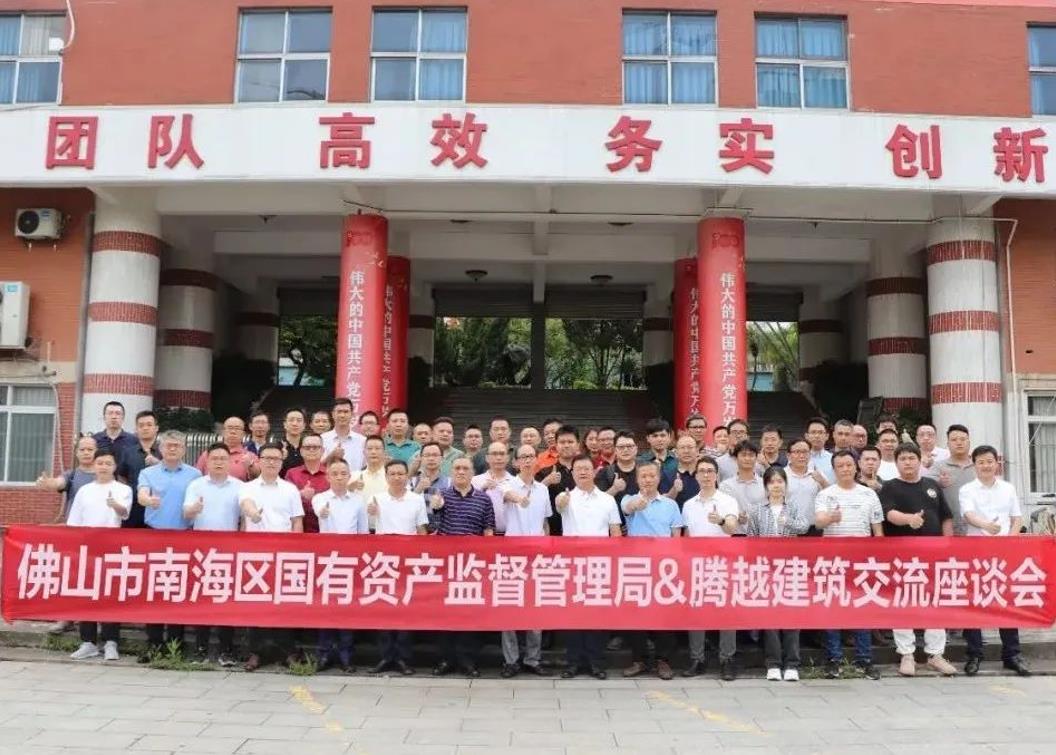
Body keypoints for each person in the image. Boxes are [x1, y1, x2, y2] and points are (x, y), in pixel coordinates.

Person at [879, 442, 958, 678]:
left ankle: (935, 654)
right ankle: (907, 654)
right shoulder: (890, 487)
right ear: (896, 463)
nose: (908, 462)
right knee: (903, 603)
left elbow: (946, 517)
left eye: (911, 458)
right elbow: (889, 514)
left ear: (919, 461)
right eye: (902, 458)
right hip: (901, 557)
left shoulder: (932, 486)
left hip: (933, 555)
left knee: (934, 602)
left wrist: (948, 546)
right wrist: (909, 519)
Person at [959, 444, 1031, 677]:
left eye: (990, 461)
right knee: (974, 603)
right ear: (974, 465)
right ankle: (974, 654)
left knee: (1005, 602)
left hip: (1003, 554)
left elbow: (1017, 518)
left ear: (996, 463)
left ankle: (1012, 655)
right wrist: (985, 525)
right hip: (976, 552)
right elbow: (968, 514)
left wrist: (1010, 541)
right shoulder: (967, 489)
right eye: (981, 462)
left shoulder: (1008, 488)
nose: (986, 466)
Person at [814, 450, 884, 680]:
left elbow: (878, 530)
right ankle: (833, 659)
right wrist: (830, 518)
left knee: (861, 609)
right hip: (833, 561)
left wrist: (879, 558)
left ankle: (864, 659)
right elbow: (819, 522)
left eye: (848, 465)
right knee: (833, 609)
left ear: (856, 467)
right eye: (840, 466)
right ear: (834, 470)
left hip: (862, 561)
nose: (845, 469)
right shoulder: (826, 494)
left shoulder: (869, 494)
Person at [137, 430, 202, 658]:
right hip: (155, 536)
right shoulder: (148, 473)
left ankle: (176, 645)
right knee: (154, 592)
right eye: (168, 445)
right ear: (160, 448)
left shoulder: (195, 474)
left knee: (178, 592)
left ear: (184, 449)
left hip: (184, 537)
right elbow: (142, 495)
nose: (172, 449)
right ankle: (154, 644)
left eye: (177, 445)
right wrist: (148, 500)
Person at [556, 454, 622, 679]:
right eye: (578, 469)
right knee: (572, 615)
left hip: (599, 565)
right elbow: (559, 506)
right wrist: (562, 502)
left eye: (587, 468)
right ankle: (573, 662)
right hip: (572, 565)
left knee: (596, 615)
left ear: (594, 472)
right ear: (572, 472)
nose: (583, 472)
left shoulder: (607, 500)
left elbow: (615, 532)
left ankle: (596, 662)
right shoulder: (565, 497)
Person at [240, 442, 304, 672]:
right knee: (255, 604)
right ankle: (256, 652)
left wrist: (296, 551)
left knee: (284, 604)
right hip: (255, 554)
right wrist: (254, 514)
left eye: (276, 459)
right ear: (259, 460)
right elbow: (246, 506)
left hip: (284, 553)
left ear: (281, 462)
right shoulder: (248, 487)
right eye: (267, 458)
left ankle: (287, 651)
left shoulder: (290, 489)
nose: (271, 462)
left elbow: (297, 521)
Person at [432, 457, 495, 677]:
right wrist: (435, 509)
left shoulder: (483, 499)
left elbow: (488, 530)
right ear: (451, 472)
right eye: (457, 468)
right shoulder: (442, 496)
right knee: (445, 615)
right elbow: (433, 527)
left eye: (465, 468)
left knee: (469, 615)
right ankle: (446, 659)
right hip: (447, 566)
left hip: (472, 567)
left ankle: (468, 661)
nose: (461, 471)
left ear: (472, 473)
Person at [620, 461, 683, 681]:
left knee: (664, 615)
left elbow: (676, 537)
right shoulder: (629, 499)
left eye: (651, 476)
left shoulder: (670, 505)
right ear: (637, 480)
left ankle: (663, 660)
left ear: (658, 478)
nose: (647, 480)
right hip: (636, 566)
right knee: (635, 615)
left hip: (664, 567)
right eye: (643, 476)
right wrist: (638, 504)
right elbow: (628, 508)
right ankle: (639, 659)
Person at [67, 448, 131, 662]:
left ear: (115, 467)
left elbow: (125, 513)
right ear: (94, 466)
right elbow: (74, 522)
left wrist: (115, 505)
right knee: (87, 594)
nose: (103, 467)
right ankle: (88, 642)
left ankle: (111, 642)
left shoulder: (122, 489)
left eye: (108, 463)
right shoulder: (84, 490)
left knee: (110, 595)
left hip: (111, 548)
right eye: (100, 463)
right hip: (86, 549)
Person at [183, 442, 242, 667]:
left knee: (227, 602)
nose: (218, 462)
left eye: (223, 459)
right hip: (202, 551)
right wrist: (193, 509)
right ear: (206, 461)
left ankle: (227, 650)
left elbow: (245, 516)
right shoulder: (196, 485)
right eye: (214, 458)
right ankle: (201, 649)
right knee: (203, 601)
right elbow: (186, 512)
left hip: (229, 551)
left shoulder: (239, 486)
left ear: (230, 462)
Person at [748, 467, 810, 682]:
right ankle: (773, 663)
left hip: (791, 568)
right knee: (771, 618)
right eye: (772, 482)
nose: (776, 485)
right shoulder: (757, 510)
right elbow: (751, 540)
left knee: (792, 616)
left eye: (780, 481)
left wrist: (787, 522)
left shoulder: (793, 508)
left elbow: (804, 527)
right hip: (766, 569)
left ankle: (792, 663)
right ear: (766, 486)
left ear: (786, 484)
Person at [681, 456, 740, 680]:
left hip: (722, 563)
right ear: (696, 475)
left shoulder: (727, 501)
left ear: (716, 475)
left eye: (710, 471)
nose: (706, 475)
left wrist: (721, 521)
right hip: (696, 564)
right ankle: (697, 659)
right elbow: (687, 537)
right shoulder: (689, 505)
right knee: (697, 613)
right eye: (702, 471)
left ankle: (727, 659)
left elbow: (732, 528)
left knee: (726, 613)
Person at [368, 460, 429, 675]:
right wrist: (371, 512)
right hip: (383, 563)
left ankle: (403, 658)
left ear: (406, 476)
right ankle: (385, 656)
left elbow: (422, 530)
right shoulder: (377, 499)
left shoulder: (416, 499)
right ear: (386, 477)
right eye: (392, 473)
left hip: (408, 562)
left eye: (400, 473)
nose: (396, 477)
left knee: (405, 612)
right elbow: (369, 529)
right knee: (383, 609)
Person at [498, 444, 553, 679]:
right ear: (516, 462)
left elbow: (545, 522)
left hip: (537, 557)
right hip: (512, 556)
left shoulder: (543, 489)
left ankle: (533, 659)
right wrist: (521, 498)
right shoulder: (507, 484)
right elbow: (508, 496)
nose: (528, 460)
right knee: (509, 608)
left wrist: (547, 547)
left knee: (535, 608)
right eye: (523, 457)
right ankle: (511, 660)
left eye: (531, 456)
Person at [312, 457, 369, 673]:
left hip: (351, 561)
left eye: (343, 473)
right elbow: (319, 511)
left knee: (347, 610)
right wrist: (323, 512)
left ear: (349, 476)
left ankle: (346, 656)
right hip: (327, 561)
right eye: (334, 473)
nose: (339, 477)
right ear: (327, 476)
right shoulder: (320, 498)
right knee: (326, 609)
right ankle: (324, 654)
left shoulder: (358, 501)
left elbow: (363, 532)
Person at [115, 409, 160, 528]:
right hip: (133, 507)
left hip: (158, 507)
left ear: (156, 428)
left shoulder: (164, 452)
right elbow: (121, 476)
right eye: (141, 425)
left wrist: (159, 464)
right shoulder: (128, 452)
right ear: (136, 429)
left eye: (149, 425)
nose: (145, 428)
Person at [36, 435, 97, 523]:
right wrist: (49, 483)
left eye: (90, 449)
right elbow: (59, 482)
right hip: (74, 525)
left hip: (98, 525)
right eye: (82, 450)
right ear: (76, 453)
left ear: (97, 452)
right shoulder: (71, 475)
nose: (86, 453)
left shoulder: (105, 476)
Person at [536, 424, 579, 536]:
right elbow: (532, 498)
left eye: (570, 442)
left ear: (578, 445)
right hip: (553, 532)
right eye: (562, 442)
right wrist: (546, 482)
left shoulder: (585, 471)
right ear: (556, 445)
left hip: (581, 531)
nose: (566, 445)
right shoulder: (544, 472)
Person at [934, 424, 976, 535]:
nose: (959, 442)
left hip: (977, 529)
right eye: (954, 440)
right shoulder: (938, 466)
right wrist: (939, 483)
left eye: (963, 439)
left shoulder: (979, 467)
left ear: (969, 442)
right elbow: (926, 489)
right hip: (947, 529)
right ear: (948, 444)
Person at [283, 432, 329, 533]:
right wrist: (300, 494)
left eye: (315, 447)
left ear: (322, 451)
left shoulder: (331, 474)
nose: (311, 450)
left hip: (325, 530)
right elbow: (284, 501)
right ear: (301, 451)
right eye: (307, 447)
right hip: (297, 530)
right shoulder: (291, 473)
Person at [718, 440, 765, 531]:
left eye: (751, 455)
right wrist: (736, 516)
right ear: (736, 458)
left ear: (756, 458)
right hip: (735, 535)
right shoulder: (725, 486)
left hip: (761, 535)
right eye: (743, 455)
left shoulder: (765, 484)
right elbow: (723, 512)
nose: (747, 458)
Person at [196, 416, 258, 482]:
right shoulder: (207, 455)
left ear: (243, 434)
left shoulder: (250, 457)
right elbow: (197, 478)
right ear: (223, 432)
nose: (233, 432)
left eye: (237, 428)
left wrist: (251, 466)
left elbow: (258, 479)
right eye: (230, 428)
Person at [472, 441, 515, 535]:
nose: (498, 457)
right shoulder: (475, 481)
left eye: (502, 454)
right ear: (487, 458)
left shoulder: (516, 482)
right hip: (482, 535)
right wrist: (482, 490)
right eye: (494, 454)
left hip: (510, 535)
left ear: (508, 458)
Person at [784, 437, 821, 534]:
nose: (801, 456)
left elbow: (829, 497)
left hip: (813, 529)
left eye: (805, 452)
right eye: (797, 452)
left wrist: (822, 481)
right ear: (788, 455)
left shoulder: (817, 475)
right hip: (788, 528)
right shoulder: (781, 475)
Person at [353, 435, 390, 529]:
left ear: (384, 452)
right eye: (369, 449)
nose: (373, 452)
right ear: (364, 452)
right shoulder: (354, 476)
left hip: (385, 529)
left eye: (377, 448)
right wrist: (350, 487)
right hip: (359, 530)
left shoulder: (392, 477)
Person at [322, 398, 366, 471]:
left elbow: (366, 468)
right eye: (339, 412)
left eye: (346, 412)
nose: (342, 415)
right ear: (332, 414)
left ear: (352, 414)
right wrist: (331, 457)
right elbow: (316, 467)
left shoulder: (362, 441)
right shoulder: (322, 439)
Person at [660, 432, 700, 508]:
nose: (686, 451)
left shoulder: (705, 473)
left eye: (690, 447)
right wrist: (674, 490)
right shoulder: (667, 474)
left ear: (697, 451)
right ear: (676, 452)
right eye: (682, 448)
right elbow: (663, 504)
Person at [805, 418, 834, 483]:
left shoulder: (833, 459)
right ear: (806, 436)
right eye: (813, 432)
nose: (817, 436)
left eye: (820, 432)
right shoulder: (797, 458)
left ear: (827, 436)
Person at [280, 407, 307, 475]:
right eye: (291, 420)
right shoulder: (277, 447)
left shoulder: (308, 447)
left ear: (304, 425)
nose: (295, 424)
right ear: (284, 424)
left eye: (299, 420)